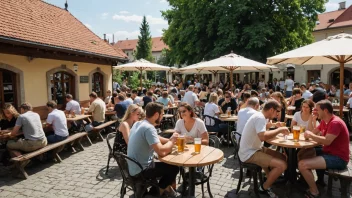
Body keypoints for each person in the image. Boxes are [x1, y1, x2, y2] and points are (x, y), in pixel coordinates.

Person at [298, 100, 350, 197]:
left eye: (317, 110)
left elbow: (326, 141)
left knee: (302, 164)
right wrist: (311, 120)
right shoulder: (324, 121)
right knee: (302, 153)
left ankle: (314, 192)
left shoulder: (335, 123)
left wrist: (311, 135)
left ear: (325, 110)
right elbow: (313, 132)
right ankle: (308, 180)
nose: (315, 112)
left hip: (339, 158)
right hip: (328, 152)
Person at [239, 100, 289, 197]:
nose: (278, 115)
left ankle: (270, 177)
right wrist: (279, 130)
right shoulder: (260, 117)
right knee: (282, 165)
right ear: (271, 109)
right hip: (249, 153)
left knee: (283, 157)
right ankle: (264, 187)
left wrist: (274, 125)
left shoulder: (260, 116)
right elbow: (262, 136)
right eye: (277, 111)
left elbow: (262, 127)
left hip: (255, 149)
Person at [127, 102, 179, 196]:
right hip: (141, 170)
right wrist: (172, 141)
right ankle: (154, 194)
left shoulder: (139, 123)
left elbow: (156, 138)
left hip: (133, 166)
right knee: (174, 168)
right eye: (162, 114)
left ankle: (167, 188)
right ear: (156, 115)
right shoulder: (149, 128)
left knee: (166, 165)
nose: (163, 117)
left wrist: (170, 141)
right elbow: (162, 152)